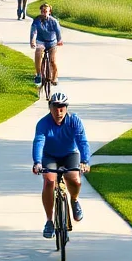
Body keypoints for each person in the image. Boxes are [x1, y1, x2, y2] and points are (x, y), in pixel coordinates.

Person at [31, 90, 90, 239]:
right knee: (49, 181)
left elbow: (82, 141)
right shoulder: (43, 124)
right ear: (50, 107)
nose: (59, 111)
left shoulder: (74, 121)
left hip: (70, 154)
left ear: (66, 108)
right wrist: (37, 162)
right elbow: (39, 142)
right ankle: (49, 221)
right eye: (55, 107)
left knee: (74, 178)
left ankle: (74, 200)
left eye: (62, 107)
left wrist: (85, 161)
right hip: (50, 156)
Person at [28, 3, 63, 86]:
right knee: (38, 53)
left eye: (46, 11)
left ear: (49, 12)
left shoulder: (54, 21)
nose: (44, 13)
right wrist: (32, 41)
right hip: (41, 41)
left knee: (52, 60)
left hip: (52, 42)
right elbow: (33, 31)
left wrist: (59, 41)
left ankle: (54, 77)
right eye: (42, 11)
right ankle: (38, 74)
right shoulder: (37, 20)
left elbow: (58, 32)